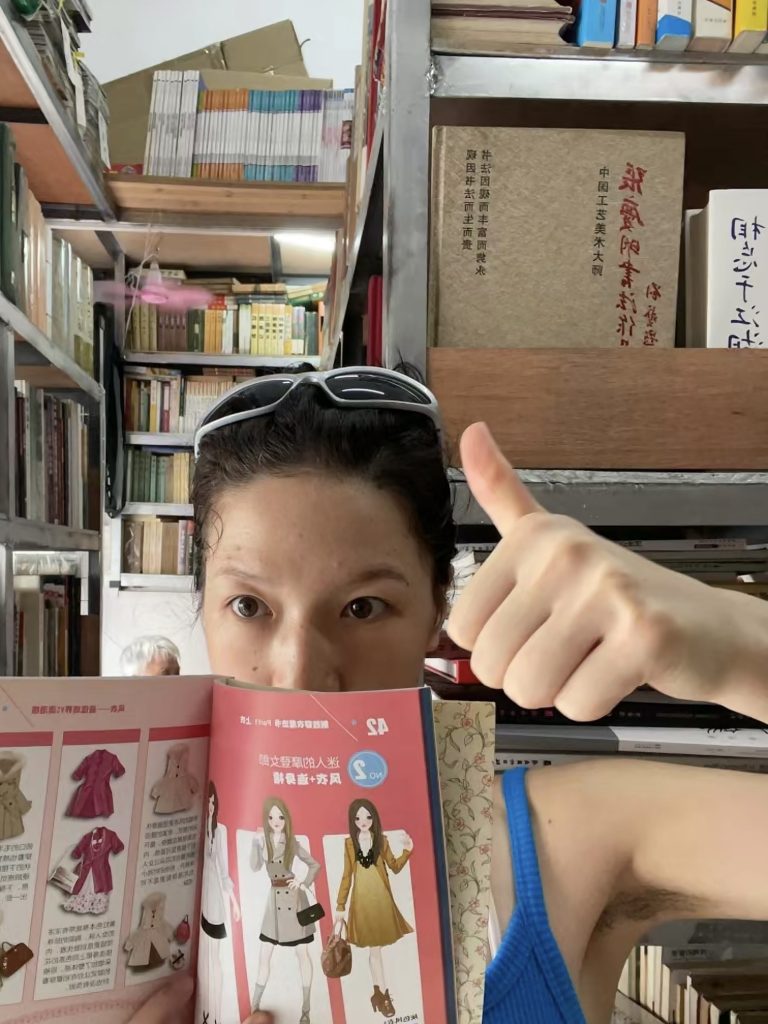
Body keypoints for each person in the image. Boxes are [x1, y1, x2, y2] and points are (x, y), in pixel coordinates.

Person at [130, 367, 768, 1024]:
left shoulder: (570, 839)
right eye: (248, 605)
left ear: (438, 606)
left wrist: (740, 645)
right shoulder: (130, 891)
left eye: (362, 607)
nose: (300, 677)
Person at [334, 798, 414, 1017]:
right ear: (352, 820)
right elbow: (346, 876)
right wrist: (340, 905)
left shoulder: (381, 840)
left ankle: (380, 993)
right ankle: (381, 994)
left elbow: (394, 866)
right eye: (358, 817)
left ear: (374, 818)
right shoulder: (349, 844)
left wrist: (407, 850)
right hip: (362, 902)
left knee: (375, 950)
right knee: (374, 950)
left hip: (381, 901)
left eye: (368, 816)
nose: (363, 821)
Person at [249, 797, 320, 1023]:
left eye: (280, 816)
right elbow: (254, 866)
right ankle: (254, 1007)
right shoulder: (264, 841)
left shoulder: (291, 842)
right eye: (271, 817)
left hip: (294, 901)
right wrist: (255, 844)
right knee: (264, 955)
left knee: (302, 954)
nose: (276, 821)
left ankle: (306, 1009)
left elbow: (315, 864)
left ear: (286, 818)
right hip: (274, 902)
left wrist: (303, 882)